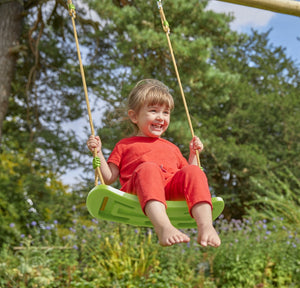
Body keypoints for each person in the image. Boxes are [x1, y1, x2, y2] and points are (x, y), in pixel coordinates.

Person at [87, 79, 221, 247]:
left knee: (196, 172)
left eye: (166, 112)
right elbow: (107, 179)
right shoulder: (124, 145)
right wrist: (97, 152)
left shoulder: (172, 148)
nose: (161, 117)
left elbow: (190, 180)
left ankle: (206, 227)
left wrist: (194, 155)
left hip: (169, 191)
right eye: (153, 111)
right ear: (134, 116)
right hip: (139, 190)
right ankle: (164, 228)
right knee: (149, 168)